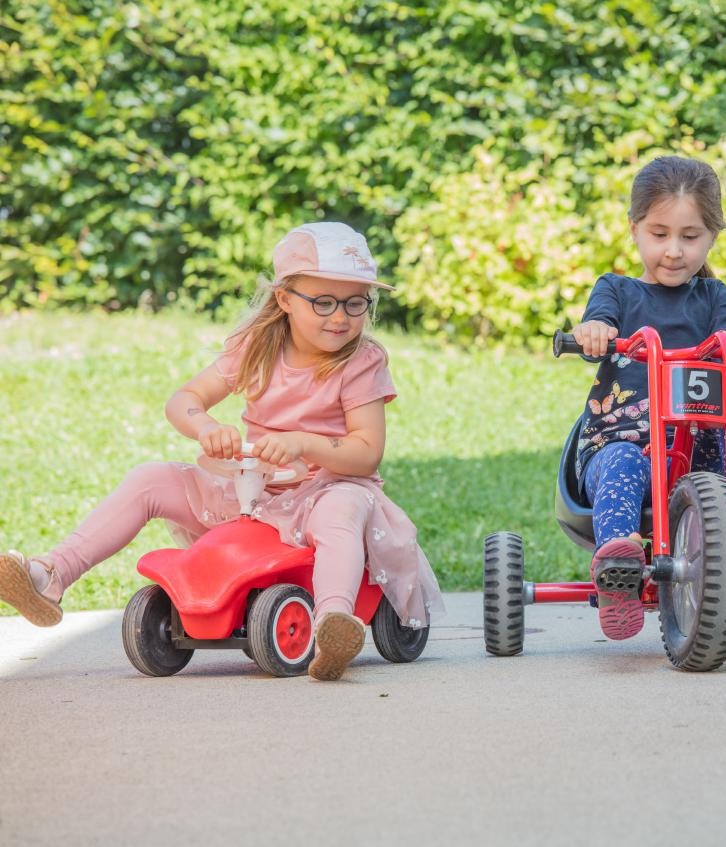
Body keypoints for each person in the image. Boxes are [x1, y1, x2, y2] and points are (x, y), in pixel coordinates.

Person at [0, 222, 443, 680]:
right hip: (251, 494)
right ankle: (50, 574)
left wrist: (304, 443)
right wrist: (206, 426)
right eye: (324, 302)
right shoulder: (257, 347)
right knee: (152, 478)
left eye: (355, 303)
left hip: (324, 490)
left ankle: (333, 623)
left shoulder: (360, 361)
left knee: (341, 509)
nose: (340, 317)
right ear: (285, 299)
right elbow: (183, 401)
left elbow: (366, 453)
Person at [569, 155, 726, 640]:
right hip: (623, 446)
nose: (674, 251)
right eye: (659, 234)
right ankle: (619, 565)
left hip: (699, 454)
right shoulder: (616, 291)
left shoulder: (714, 298)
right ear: (634, 228)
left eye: (690, 236)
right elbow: (599, 322)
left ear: (712, 236)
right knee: (621, 460)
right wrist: (595, 331)